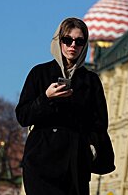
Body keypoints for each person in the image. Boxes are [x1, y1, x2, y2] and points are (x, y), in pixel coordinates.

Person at [16, 17, 111, 195]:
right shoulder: (40, 73)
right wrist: (46, 98)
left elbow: (100, 124)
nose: (72, 46)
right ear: (58, 41)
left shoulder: (91, 81)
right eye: (67, 40)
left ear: (85, 45)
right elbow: (23, 116)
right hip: (41, 160)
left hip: (75, 163)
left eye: (79, 41)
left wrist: (89, 150)